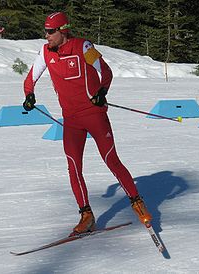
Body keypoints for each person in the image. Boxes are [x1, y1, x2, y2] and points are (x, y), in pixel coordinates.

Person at [23, 11, 152, 236]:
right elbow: (30, 77)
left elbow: (106, 72)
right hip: (71, 120)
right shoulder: (45, 52)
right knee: (73, 166)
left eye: (51, 31)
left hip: (94, 115)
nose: (47, 36)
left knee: (110, 159)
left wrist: (102, 92)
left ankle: (136, 201)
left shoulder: (84, 47)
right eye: (45, 31)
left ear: (63, 30)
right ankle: (86, 215)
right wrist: (29, 94)